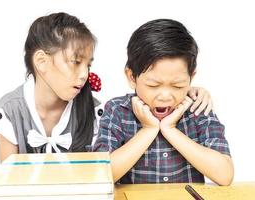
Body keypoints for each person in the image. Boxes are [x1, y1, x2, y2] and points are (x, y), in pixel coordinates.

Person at [0, 13, 212, 163]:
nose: (85, 74)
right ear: (41, 61)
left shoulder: (95, 110)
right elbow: (7, 183)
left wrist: (187, 92)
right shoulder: (10, 113)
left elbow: (144, 95)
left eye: (88, 64)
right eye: (76, 62)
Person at [93, 19, 234, 186]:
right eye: (153, 85)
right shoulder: (117, 110)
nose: (165, 96)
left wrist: (171, 129)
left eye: (177, 85)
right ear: (132, 77)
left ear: (191, 77)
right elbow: (100, 175)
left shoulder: (198, 107)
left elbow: (225, 175)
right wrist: (148, 130)